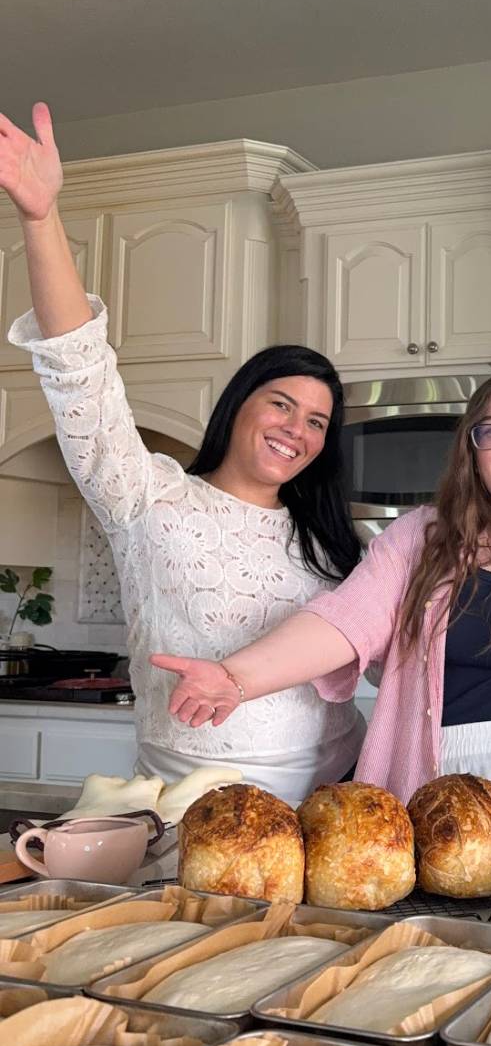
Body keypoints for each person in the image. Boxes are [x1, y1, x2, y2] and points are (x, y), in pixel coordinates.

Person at [0, 103, 365, 801]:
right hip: (190, 800)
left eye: (318, 422)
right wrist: (42, 219)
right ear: (239, 406)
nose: (297, 429)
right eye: (281, 404)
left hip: (333, 795)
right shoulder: (149, 497)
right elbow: (83, 375)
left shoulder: (328, 537)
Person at [150, 371, 491, 819]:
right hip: (424, 780)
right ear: (473, 453)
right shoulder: (421, 540)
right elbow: (344, 621)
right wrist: (236, 677)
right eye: (490, 431)